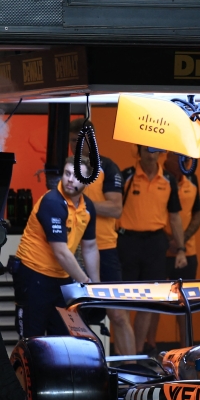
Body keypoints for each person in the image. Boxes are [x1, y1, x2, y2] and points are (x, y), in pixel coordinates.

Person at [11, 156, 100, 337]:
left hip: (62, 278)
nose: (70, 179)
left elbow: (90, 247)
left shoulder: (88, 207)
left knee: (63, 340)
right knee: (31, 341)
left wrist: (97, 288)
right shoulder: (52, 202)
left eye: (77, 177)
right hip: (34, 275)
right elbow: (61, 252)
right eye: (67, 174)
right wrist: (86, 283)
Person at [68, 119, 134, 355]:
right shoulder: (68, 167)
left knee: (117, 313)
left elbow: (115, 208)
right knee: (73, 313)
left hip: (104, 248)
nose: (73, 146)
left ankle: (131, 369)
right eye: (71, 141)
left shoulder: (107, 166)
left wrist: (83, 203)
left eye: (78, 141)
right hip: (72, 251)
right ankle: (81, 367)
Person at [118, 146, 184, 353]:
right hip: (127, 242)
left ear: (161, 152)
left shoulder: (168, 179)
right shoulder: (125, 176)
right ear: (138, 151)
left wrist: (181, 249)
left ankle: (136, 356)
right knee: (125, 301)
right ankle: (124, 357)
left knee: (148, 301)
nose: (151, 153)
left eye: (155, 149)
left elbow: (174, 216)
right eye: (146, 149)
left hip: (155, 243)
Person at [144, 152, 200, 352]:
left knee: (185, 303)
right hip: (159, 250)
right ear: (167, 158)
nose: (184, 162)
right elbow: (149, 212)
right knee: (155, 303)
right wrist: (165, 240)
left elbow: (198, 215)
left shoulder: (193, 179)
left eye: (186, 158)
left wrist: (181, 241)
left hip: (187, 252)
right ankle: (150, 347)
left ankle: (186, 349)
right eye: (178, 157)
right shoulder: (159, 178)